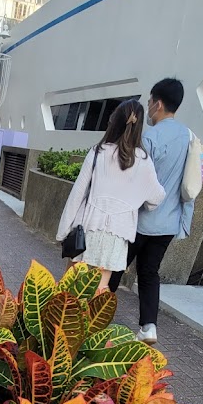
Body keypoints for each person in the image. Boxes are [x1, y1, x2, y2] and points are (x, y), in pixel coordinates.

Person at [109, 79, 195, 343]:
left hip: (140, 220)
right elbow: (192, 181)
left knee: (115, 267)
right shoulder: (190, 137)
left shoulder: (149, 137)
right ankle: (149, 327)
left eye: (149, 102)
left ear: (158, 104)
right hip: (169, 224)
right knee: (149, 273)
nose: (148, 107)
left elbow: (136, 179)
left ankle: (94, 317)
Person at [56, 100, 165, 293]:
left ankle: (63, 322)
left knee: (69, 288)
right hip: (117, 237)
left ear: (114, 122)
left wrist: (63, 232)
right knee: (100, 290)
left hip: (87, 229)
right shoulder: (144, 161)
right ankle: (91, 323)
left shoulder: (98, 152)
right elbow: (156, 197)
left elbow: (77, 194)